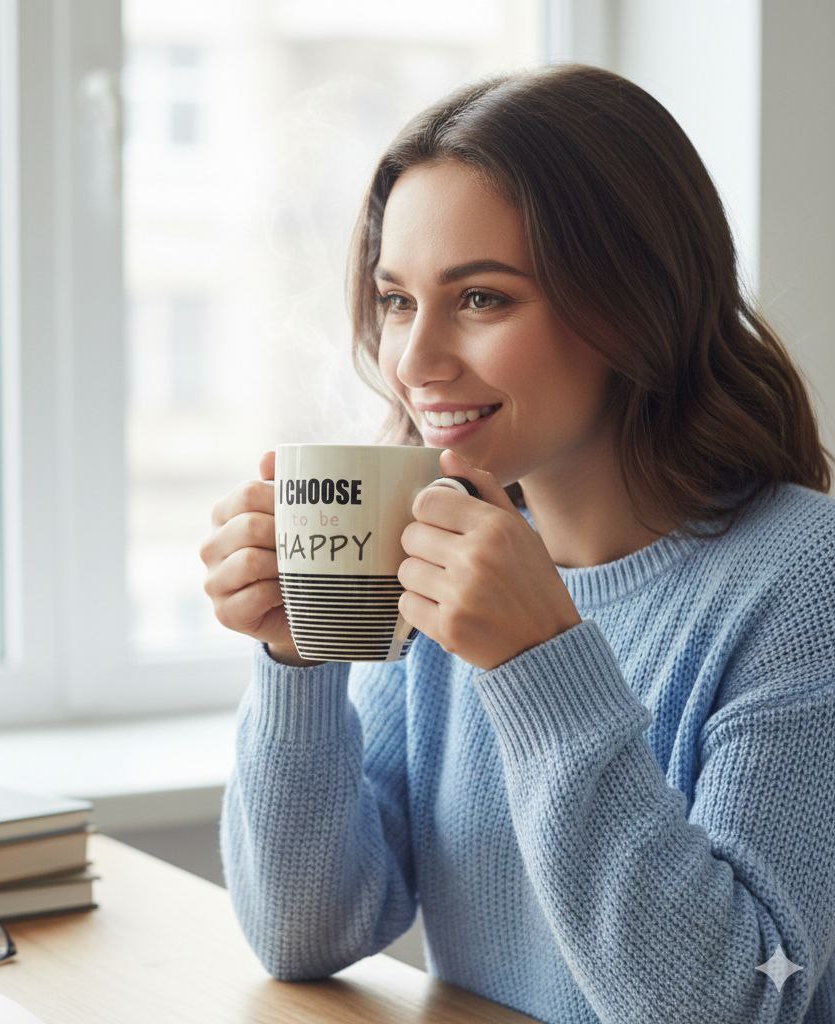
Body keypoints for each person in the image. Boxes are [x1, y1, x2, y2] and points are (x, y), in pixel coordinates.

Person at [199, 62, 835, 1024]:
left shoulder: (803, 580)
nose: (414, 363)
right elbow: (306, 932)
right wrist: (300, 660)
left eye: (481, 299)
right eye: (397, 300)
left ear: (633, 302)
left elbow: (734, 1005)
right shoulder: (438, 549)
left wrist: (538, 661)